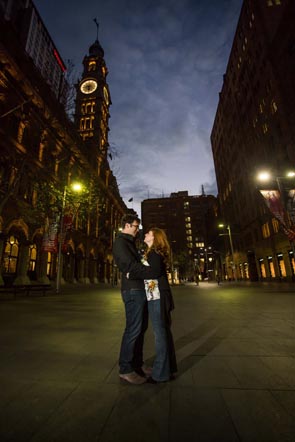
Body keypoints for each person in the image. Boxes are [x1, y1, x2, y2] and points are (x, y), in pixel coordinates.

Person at [113, 214, 161, 385]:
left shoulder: (130, 243)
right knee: (133, 329)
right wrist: (151, 271)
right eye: (135, 226)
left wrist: (140, 269)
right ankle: (125, 369)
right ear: (126, 225)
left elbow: (135, 267)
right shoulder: (120, 242)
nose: (138, 230)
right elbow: (129, 266)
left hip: (139, 289)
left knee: (140, 329)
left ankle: (137, 364)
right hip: (132, 290)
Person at [128, 227, 177, 383]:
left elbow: (153, 272)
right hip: (157, 295)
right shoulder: (152, 253)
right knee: (163, 333)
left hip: (158, 296)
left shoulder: (155, 253)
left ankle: (160, 374)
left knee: (160, 335)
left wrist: (134, 272)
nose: (146, 234)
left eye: (149, 233)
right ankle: (167, 370)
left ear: (155, 238)